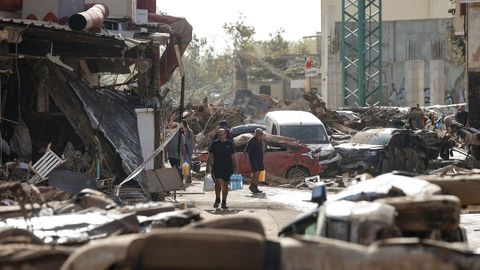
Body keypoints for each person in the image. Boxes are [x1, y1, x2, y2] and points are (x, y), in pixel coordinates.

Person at [206, 129, 237, 209]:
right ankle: (217, 199)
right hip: (217, 166)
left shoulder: (230, 143)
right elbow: (210, 156)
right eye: (219, 134)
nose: (221, 136)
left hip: (228, 167)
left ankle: (224, 201)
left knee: (225, 184)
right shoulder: (214, 144)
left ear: (225, 135)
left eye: (222, 134)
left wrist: (236, 168)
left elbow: (233, 157)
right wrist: (207, 167)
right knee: (218, 182)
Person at [244, 128, 265, 194]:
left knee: (258, 174)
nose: (262, 135)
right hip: (254, 160)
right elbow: (246, 151)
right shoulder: (252, 141)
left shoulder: (260, 140)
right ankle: (254, 187)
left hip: (260, 160)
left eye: (262, 134)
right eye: (261, 134)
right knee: (255, 173)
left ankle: (253, 186)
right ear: (256, 134)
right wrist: (246, 161)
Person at [182, 119, 196, 183]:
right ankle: (188, 177)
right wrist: (195, 149)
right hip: (190, 149)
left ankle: (189, 178)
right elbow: (193, 141)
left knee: (187, 164)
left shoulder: (184, 132)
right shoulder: (190, 131)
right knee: (189, 163)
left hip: (186, 149)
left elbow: (183, 142)